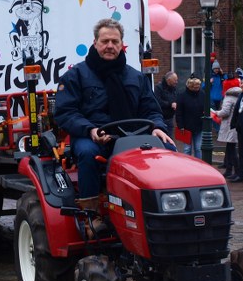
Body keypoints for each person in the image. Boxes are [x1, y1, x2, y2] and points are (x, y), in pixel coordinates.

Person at [55, 18, 173, 236]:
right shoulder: (75, 76)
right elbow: (65, 112)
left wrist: (158, 127)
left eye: (115, 41)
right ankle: (92, 217)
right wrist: (90, 130)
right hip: (91, 135)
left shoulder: (136, 77)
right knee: (88, 154)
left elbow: (151, 109)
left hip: (131, 135)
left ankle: (166, 208)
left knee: (168, 150)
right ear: (95, 43)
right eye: (105, 41)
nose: (110, 45)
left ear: (121, 44)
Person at [215, 75, 241, 177]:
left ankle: (236, 171)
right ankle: (230, 170)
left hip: (229, 125)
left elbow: (225, 112)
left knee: (231, 148)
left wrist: (215, 113)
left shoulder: (229, 96)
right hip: (235, 124)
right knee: (231, 147)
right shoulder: (239, 95)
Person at [175, 76, 204, 159]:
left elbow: (206, 107)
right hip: (186, 127)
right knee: (187, 149)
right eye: (195, 87)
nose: (197, 88)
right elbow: (179, 112)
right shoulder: (182, 96)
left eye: (198, 87)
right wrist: (180, 126)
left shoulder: (202, 94)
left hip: (199, 125)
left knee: (198, 148)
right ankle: (187, 165)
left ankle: (199, 165)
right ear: (190, 87)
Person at [154, 71, 179, 139]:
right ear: (169, 80)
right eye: (175, 80)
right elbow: (157, 101)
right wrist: (170, 104)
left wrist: (176, 103)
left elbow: (176, 98)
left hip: (170, 118)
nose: (176, 82)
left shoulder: (173, 88)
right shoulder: (158, 88)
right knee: (161, 139)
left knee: (170, 138)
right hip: (161, 118)